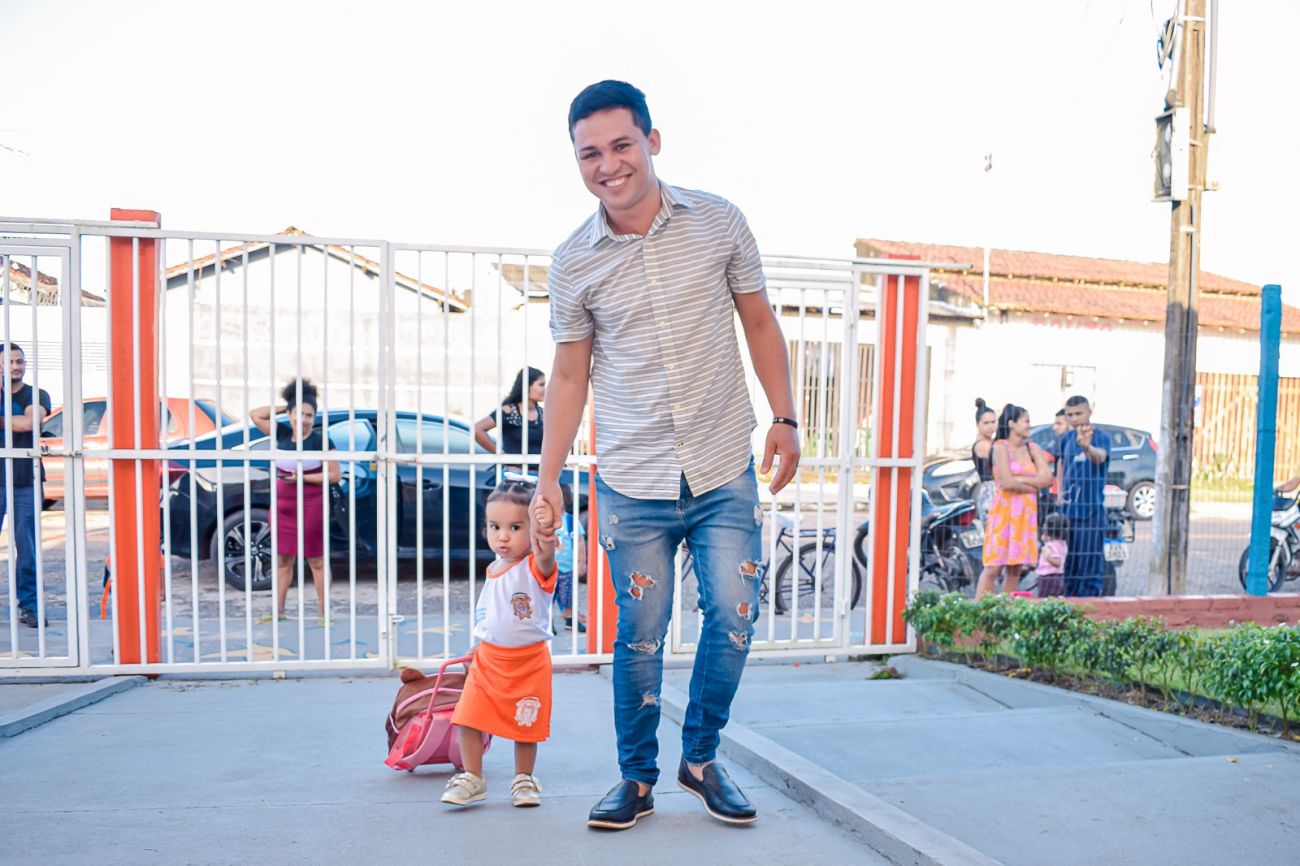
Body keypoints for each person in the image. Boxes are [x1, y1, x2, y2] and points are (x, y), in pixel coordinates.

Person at [531, 80, 800, 830]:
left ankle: (701, 758)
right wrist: (548, 479)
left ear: (652, 140)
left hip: (720, 464)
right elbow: (569, 375)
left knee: (736, 615)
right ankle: (636, 779)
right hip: (632, 476)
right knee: (639, 637)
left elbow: (759, 322)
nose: (607, 165)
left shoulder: (719, 222)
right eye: (589, 154)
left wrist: (784, 417)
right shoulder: (573, 262)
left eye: (621, 145)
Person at [441, 477, 557, 808]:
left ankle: (524, 779)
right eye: (495, 527)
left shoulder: (535, 566)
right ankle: (472, 777)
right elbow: (490, 612)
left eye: (515, 527)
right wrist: (477, 643)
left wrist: (545, 532)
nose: (502, 536)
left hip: (528, 662)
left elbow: (546, 555)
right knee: (468, 717)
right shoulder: (494, 567)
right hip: (489, 660)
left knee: (526, 725)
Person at [250, 379, 340, 625]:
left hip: (311, 504)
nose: (304, 419)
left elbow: (334, 475)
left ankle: (324, 614)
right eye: (299, 413)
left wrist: (301, 477)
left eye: (309, 415)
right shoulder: (280, 432)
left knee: (316, 560)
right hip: (282, 505)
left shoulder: (321, 441)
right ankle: (278, 611)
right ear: (289, 414)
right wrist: (287, 406)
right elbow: (255, 415)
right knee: (282, 559)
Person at [975, 404, 1052, 599]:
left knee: (1015, 567)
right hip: (1004, 513)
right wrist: (1033, 486)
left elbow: (1047, 479)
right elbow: (1006, 482)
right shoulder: (1000, 448)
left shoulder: (1032, 449)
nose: (1029, 425)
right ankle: (980, 609)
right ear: (1011, 423)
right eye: (1026, 421)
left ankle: (1005, 609)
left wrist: (1020, 481)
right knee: (993, 567)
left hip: (1025, 514)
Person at [0, 343, 51, 628]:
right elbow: (17, 422)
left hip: (24, 480)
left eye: (19, 361)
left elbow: (29, 423)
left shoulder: (36, 394)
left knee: (27, 549)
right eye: (9, 362)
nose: (16, 367)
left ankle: (29, 606)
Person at [1058, 395, 1111, 596]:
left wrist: (1087, 447)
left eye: (1078, 413)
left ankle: (1090, 605)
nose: (1074, 418)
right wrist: (1060, 490)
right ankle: (1070, 604)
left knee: (1090, 565)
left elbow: (1100, 457)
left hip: (1091, 511)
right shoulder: (1066, 438)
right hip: (1068, 512)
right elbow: (1061, 462)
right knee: (1070, 566)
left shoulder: (1101, 437)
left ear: (1090, 411)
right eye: (1070, 414)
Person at [474, 367, 546, 469]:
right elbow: (477, 429)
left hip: (540, 475)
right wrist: (500, 455)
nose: (545, 389)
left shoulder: (543, 413)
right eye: (541, 385)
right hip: (514, 474)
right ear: (527, 386)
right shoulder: (508, 411)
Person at [553, 482, 586, 633]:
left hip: (567, 568)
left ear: (564, 501)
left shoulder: (571, 521)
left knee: (568, 596)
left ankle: (570, 620)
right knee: (547, 597)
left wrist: (581, 562)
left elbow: (580, 542)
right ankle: (547, 622)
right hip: (549, 569)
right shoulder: (545, 521)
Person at [971, 398, 997, 520]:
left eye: (993, 422)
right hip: (989, 492)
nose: (990, 426)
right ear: (978, 425)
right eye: (986, 423)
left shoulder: (991, 442)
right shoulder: (983, 445)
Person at [1034, 512, 1070, 598]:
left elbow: (1058, 563)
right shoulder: (1061, 543)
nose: (1043, 526)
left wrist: (1047, 557)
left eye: (1046, 524)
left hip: (1048, 577)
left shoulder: (1053, 546)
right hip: (1055, 577)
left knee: (1044, 598)